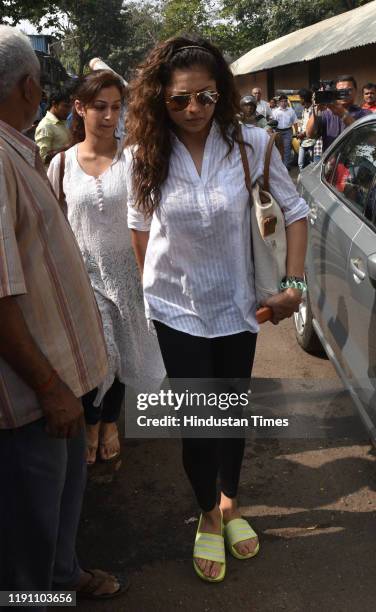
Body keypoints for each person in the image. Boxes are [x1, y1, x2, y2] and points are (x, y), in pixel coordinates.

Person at [125, 35, 308, 583]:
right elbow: (140, 230)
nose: (193, 109)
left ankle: (230, 502)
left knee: (230, 416)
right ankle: (207, 511)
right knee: (198, 425)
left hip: (237, 309)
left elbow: (295, 209)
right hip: (176, 312)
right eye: (179, 99)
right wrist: (153, 293)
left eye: (204, 97)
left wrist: (293, 283)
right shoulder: (144, 154)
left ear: (221, 93)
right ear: (160, 99)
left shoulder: (253, 144)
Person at [0, 25, 124, 601]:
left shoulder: (18, 151)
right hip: (33, 397)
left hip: (63, 384)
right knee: (30, 524)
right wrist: (49, 387)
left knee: (62, 503)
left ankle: (63, 575)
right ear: (31, 86)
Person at [48, 70, 165, 465]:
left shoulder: (134, 158)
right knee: (100, 354)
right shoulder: (61, 164)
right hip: (83, 276)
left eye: (117, 106)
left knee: (122, 355)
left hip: (129, 274)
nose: (110, 115)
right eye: (100, 106)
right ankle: (92, 421)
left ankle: (108, 421)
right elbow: (54, 224)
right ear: (79, 108)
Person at [306, 75, 371, 152]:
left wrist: (343, 114)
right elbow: (310, 135)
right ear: (334, 93)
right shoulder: (326, 113)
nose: (344, 94)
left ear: (355, 91)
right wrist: (316, 109)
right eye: (340, 91)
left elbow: (368, 139)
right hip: (332, 162)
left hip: (356, 162)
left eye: (348, 90)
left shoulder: (365, 114)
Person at [35, 87, 71, 164]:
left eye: (70, 107)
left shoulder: (63, 122)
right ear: (54, 104)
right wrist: (68, 147)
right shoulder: (45, 126)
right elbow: (42, 158)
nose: (68, 111)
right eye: (66, 106)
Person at [272, 94, 298, 169]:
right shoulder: (275, 111)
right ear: (279, 103)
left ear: (287, 102)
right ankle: (279, 166)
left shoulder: (291, 111)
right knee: (278, 149)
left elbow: (295, 122)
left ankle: (285, 167)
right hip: (278, 131)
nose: (283, 103)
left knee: (287, 149)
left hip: (288, 131)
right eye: (282, 101)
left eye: (285, 101)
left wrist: (296, 132)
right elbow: (272, 122)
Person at [297, 89, 315, 171]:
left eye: (300, 98)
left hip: (312, 141)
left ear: (304, 99)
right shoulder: (304, 110)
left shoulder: (314, 110)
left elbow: (313, 126)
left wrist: (303, 134)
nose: (299, 100)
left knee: (312, 163)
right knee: (300, 163)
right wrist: (299, 131)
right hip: (303, 141)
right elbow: (303, 123)